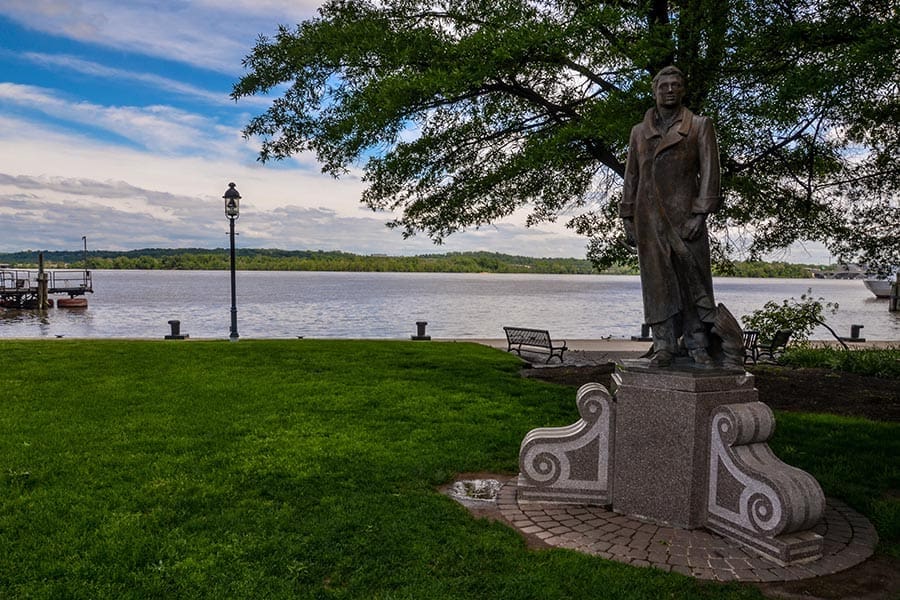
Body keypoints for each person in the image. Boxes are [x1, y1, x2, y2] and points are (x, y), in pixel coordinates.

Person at [620, 66, 721, 367]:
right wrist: (627, 217)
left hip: (686, 220)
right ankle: (663, 344)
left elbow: (710, 174)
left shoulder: (699, 126)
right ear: (654, 90)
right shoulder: (640, 132)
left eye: (676, 85)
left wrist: (700, 215)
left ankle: (697, 343)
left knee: (693, 282)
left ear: (683, 90)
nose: (669, 90)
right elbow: (631, 177)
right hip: (648, 220)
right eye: (663, 86)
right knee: (656, 285)